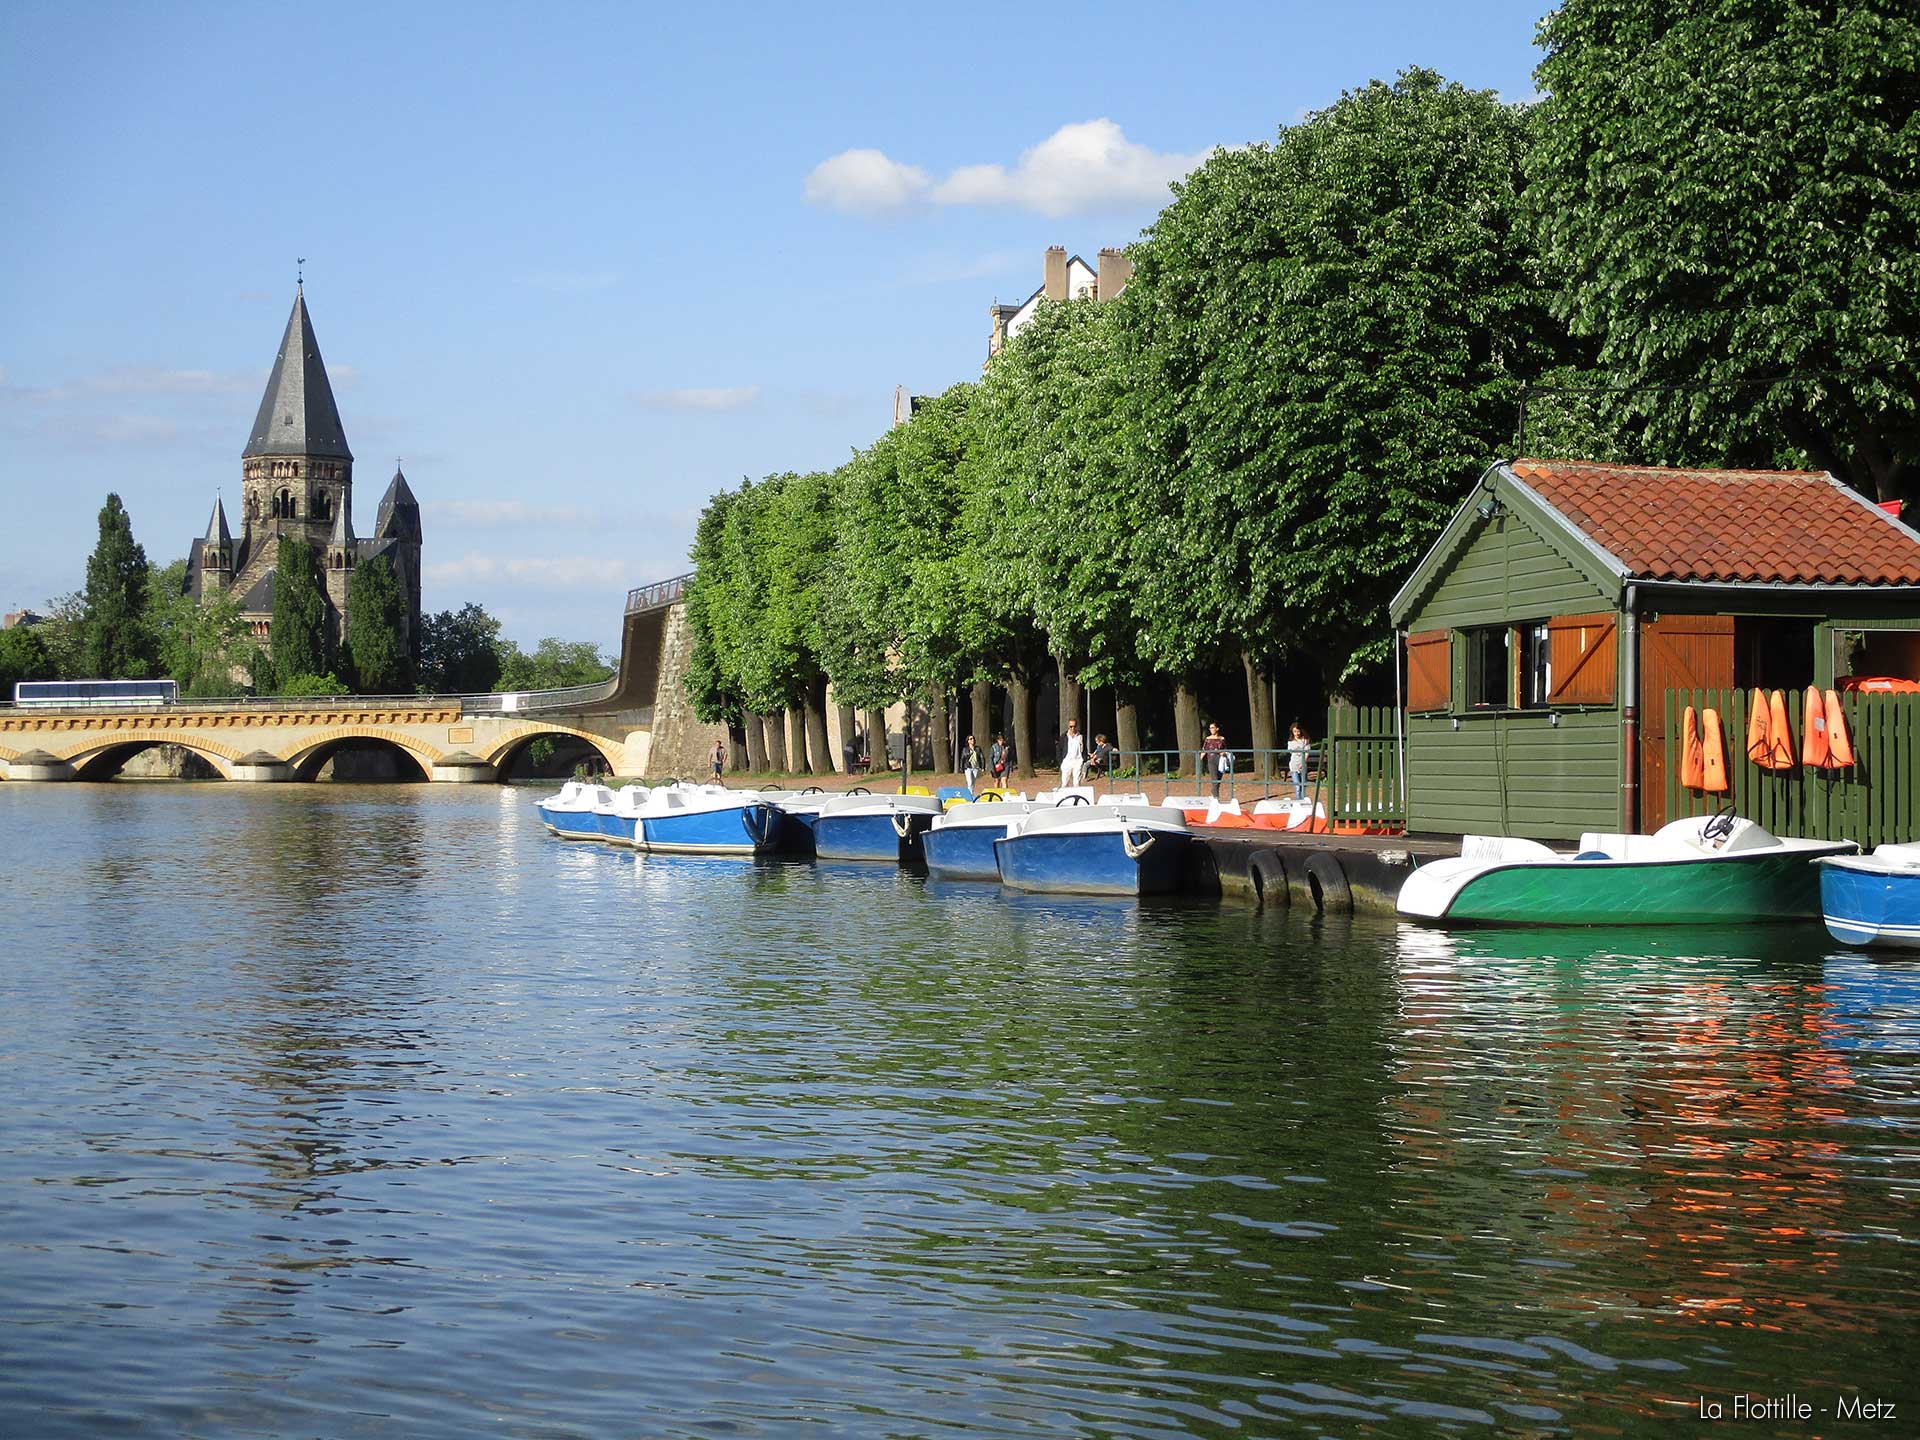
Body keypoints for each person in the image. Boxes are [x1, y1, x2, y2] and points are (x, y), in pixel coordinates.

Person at [1201, 721, 1228, 798]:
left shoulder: (1222, 739)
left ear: (1217, 729)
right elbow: (1204, 750)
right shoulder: (1208, 739)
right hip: (1211, 760)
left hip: (1220, 760)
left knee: (1218, 780)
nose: (1211, 729)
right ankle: (1216, 798)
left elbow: (1225, 749)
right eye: (1210, 728)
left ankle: (1213, 793)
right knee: (1215, 779)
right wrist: (1199, 760)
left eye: (1212, 728)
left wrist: (1224, 753)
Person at [1059, 719, 1086, 788]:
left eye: (1074, 726)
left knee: (1076, 783)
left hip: (1078, 761)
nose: (1072, 728)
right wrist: (1061, 760)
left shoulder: (1080, 736)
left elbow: (1084, 748)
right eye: (1071, 726)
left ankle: (1077, 797)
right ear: (1068, 726)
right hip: (1067, 761)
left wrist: (1083, 758)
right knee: (1064, 782)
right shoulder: (1064, 736)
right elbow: (1060, 749)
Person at [1288, 722, 1311, 801]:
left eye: (1298, 731)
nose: (1297, 733)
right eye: (1294, 731)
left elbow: (1307, 752)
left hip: (1302, 765)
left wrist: (1303, 762)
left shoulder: (1305, 741)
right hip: (1294, 765)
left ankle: (1303, 800)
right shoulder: (1291, 742)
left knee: (1303, 785)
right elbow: (1291, 751)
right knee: (1297, 786)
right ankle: (1298, 801)